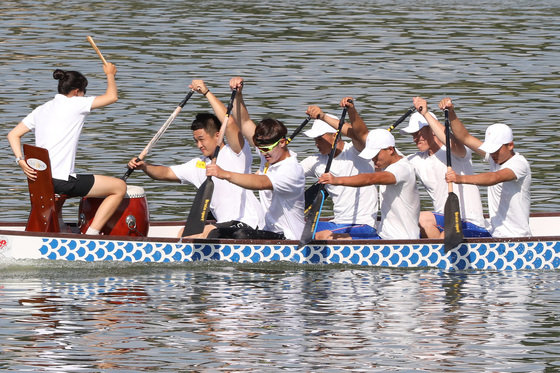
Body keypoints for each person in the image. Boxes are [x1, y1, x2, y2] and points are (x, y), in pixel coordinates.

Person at [127, 79, 263, 238]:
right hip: (225, 225)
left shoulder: (236, 154)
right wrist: (144, 167)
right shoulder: (198, 164)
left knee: (198, 234)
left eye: (202, 139)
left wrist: (206, 93)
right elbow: (166, 173)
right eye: (196, 141)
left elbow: (230, 122)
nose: (199, 145)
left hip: (248, 224)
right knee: (183, 233)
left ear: (218, 135)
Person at [7, 65, 126, 235]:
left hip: (40, 180)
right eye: (84, 91)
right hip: (60, 181)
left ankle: (58, 230)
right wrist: (110, 74)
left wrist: (20, 161)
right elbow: (112, 97)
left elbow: (13, 135)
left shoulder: (41, 109)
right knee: (119, 187)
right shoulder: (76, 103)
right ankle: (92, 235)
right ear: (77, 91)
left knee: (78, 180)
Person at [206, 77, 305, 240]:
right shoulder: (271, 153)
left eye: (266, 149)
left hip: (290, 239)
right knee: (215, 233)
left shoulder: (290, 170)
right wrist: (238, 94)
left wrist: (224, 174)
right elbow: (244, 122)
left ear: (282, 143)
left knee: (239, 235)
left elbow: (261, 183)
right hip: (270, 231)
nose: (263, 153)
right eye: (260, 148)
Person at [318, 98, 420, 240]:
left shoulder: (402, 169)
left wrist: (336, 180)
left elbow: (370, 178)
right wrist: (351, 110)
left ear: (390, 149)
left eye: (376, 155)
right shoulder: (389, 162)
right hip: (383, 237)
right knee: (331, 236)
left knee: (326, 237)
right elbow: (360, 134)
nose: (373, 160)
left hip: (401, 241)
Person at [400, 96, 489, 238]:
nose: (416, 138)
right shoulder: (415, 160)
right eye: (413, 134)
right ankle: (435, 254)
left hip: (470, 224)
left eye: (419, 133)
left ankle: (439, 252)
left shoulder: (457, 153)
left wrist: (426, 115)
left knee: (428, 222)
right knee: (416, 220)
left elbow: (452, 142)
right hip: (445, 222)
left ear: (433, 129)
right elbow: (388, 159)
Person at [441, 97, 531, 237]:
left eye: (496, 150)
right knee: (447, 233)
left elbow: (495, 177)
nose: (492, 154)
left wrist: (459, 178)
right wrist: (451, 112)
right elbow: (464, 137)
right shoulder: (495, 157)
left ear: (510, 145)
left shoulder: (519, 164)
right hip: (495, 234)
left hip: (516, 238)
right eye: (491, 150)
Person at [300, 106, 379, 240]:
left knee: (322, 236)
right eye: (315, 139)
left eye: (319, 138)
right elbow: (289, 174)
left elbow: (358, 134)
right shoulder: (316, 161)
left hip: (362, 225)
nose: (316, 144)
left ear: (335, 135)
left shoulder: (357, 152)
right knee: (294, 228)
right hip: (338, 223)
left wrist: (351, 110)